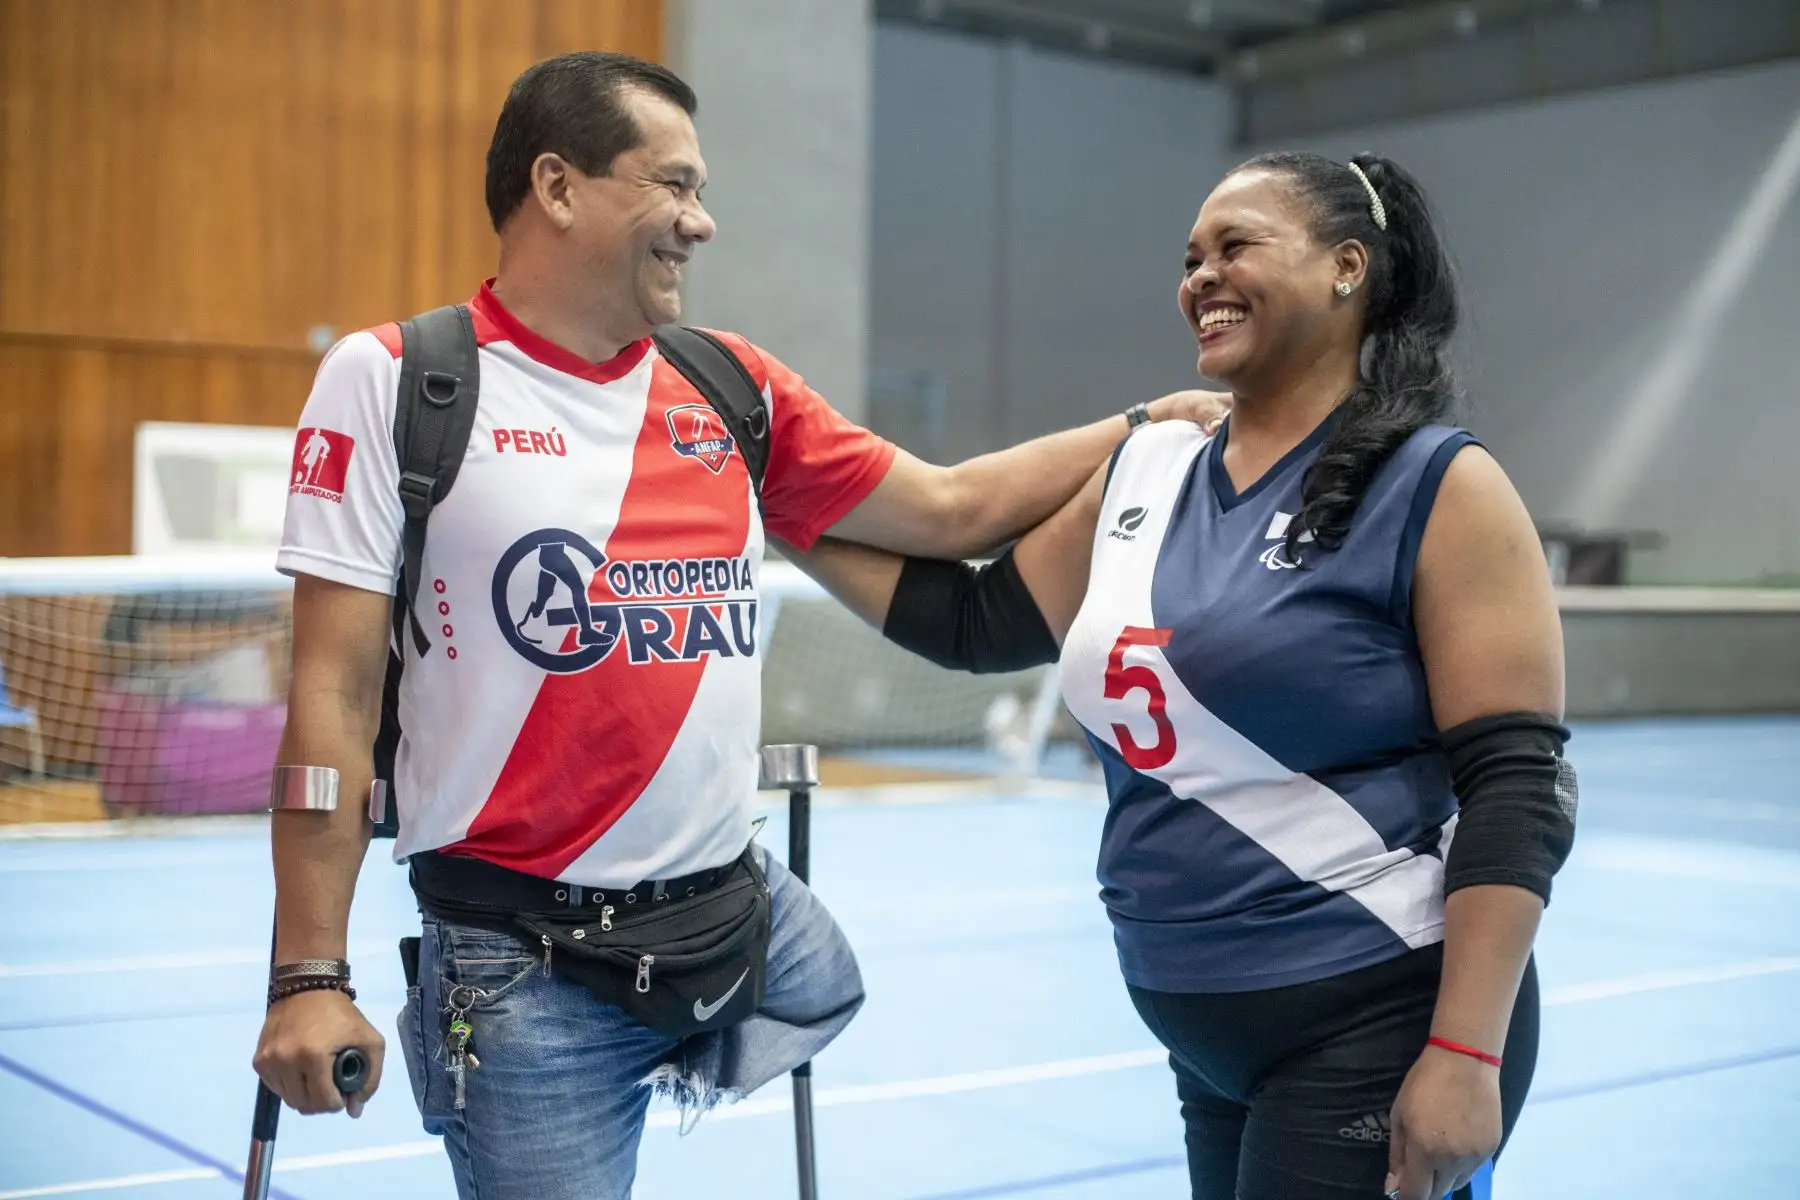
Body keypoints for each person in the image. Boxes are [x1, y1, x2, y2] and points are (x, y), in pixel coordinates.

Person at [250, 50, 1229, 1200]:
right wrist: (307, 975)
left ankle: (654, 1057)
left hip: (728, 911)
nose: (701, 221)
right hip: (523, 973)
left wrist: (1146, 425)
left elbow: (952, 508)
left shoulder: (732, 387)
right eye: (673, 185)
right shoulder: (396, 381)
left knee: (827, 982)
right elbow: (332, 697)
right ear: (557, 187)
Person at [790, 152, 1576, 1200]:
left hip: (1375, 1015)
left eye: (1235, 246)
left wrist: (1468, 1053)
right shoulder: (1148, 468)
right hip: (1205, 1036)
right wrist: (773, 506)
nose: (1201, 277)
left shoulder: (1439, 485)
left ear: (1347, 268)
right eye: (1191, 258)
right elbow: (974, 621)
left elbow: (1520, 787)